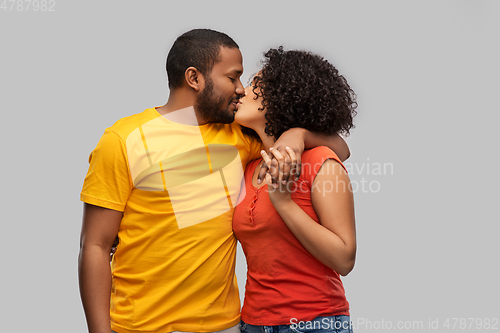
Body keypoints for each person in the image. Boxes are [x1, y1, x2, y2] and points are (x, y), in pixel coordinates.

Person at [78, 29, 350, 333]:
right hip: (139, 326)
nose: (241, 88)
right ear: (194, 78)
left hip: (226, 326)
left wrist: (299, 133)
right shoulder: (123, 140)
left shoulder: (241, 138)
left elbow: (338, 149)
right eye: (232, 77)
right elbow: (95, 245)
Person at [233, 47, 357, 333]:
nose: (243, 91)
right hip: (252, 323)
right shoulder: (248, 167)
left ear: (284, 97)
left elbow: (345, 258)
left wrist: (284, 202)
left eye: (256, 85)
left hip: (313, 323)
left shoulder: (320, 162)